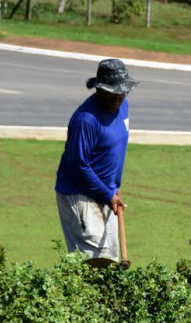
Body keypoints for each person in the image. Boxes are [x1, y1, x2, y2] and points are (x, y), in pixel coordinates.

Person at [55, 58, 138, 262]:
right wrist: (107, 193)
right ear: (99, 89)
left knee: (111, 259)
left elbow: (114, 149)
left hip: (107, 194)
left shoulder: (123, 105)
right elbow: (78, 166)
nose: (118, 97)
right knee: (95, 263)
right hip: (81, 195)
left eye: (122, 90)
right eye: (112, 92)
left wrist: (113, 186)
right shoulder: (86, 120)